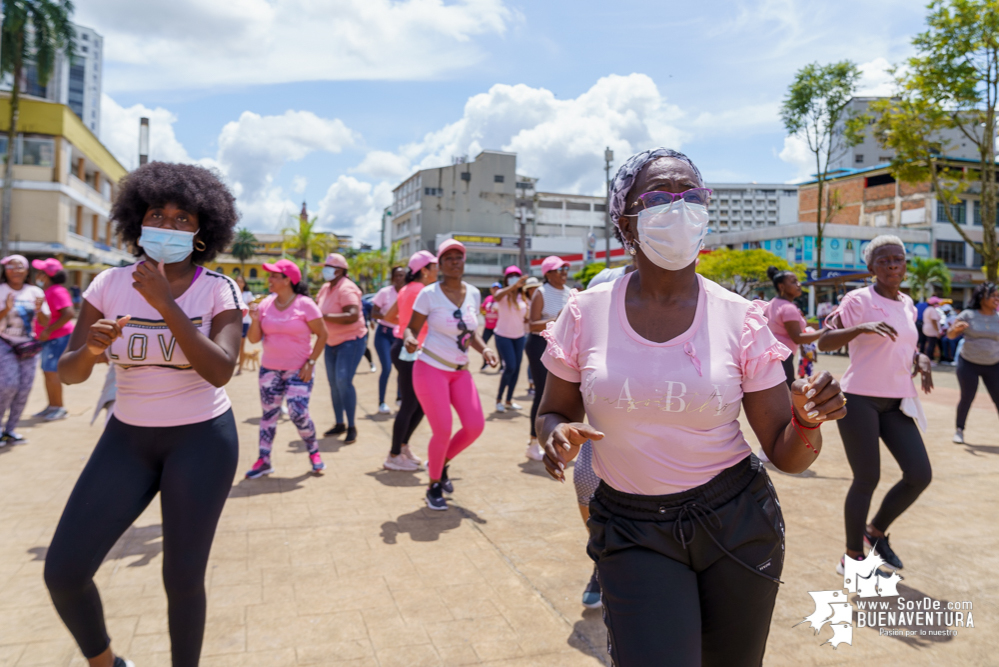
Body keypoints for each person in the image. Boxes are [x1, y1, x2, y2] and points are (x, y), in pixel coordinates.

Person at [536, 148, 846, 666]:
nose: (678, 208)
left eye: (692, 196)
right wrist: (555, 433)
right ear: (625, 222)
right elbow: (552, 410)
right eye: (658, 196)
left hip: (737, 520)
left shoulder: (741, 318)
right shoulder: (584, 313)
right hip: (631, 526)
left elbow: (785, 454)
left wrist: (808, 419)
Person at [47, 161, 245, 667]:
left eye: (184, 218)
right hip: (129, 439)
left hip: (202, 440)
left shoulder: (218, 289)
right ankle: (106, 662)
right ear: (139, 221)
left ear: (203, 231)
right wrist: (91, 351)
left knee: (181, 578)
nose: (171, 226)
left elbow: (220, 370)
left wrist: (165, 304)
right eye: (160, 214)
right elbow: (70, 373)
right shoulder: (108, 285)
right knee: (64, 571)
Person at [818, 234, 933, 576]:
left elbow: (904, 346)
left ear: (905, 264)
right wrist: (860, 327)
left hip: (897, 400)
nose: (893, 265)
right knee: (867, 477)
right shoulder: (857, 300)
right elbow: (825, 339)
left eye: (898, 259)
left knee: (919, 474)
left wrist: (921, 358)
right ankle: (852, 556)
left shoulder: (909, 304)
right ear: (871, 268)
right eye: (884, 260)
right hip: (859, 399)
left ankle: (875, 532)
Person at [406, 239, 498, 510]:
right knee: (443, 429)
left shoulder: (473, 293)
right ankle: (434, 484)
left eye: (459, 257)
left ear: (464, 261)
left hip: (461, 372)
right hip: (430, 368)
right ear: (440, 264)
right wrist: (409, 340)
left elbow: (471, 333)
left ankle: (440, 462)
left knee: (474, 426)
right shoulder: (429, 294)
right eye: (448, 258)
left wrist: (484, 349)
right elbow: (411, 329)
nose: (455, 262)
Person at [245, 258, 328, 479]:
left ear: (288, 280)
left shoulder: (305, 304)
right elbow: (254, 340)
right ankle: (264, 460)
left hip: (299, 370)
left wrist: (311, 362)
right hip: (269, 371)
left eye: (274, 276)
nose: (269, 279)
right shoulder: (265, 304)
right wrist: (254, 320)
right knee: (268, 415)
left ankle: (314, 452)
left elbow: (322, 335)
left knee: (298, 412)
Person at [382, 251, 437, 472]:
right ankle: (394, 454)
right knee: (410, 404)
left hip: (403, 347)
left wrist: (406, 322)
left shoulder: (406, 289)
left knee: (419, 404)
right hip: (412, 350)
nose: (438, 270)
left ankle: (402, 447)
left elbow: (388, 316)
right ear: (424, 270)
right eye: (434, 266)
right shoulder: (424, 291)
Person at [316, 253, 368, 444]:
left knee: (343, 381)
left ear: (339, 270)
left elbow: (352, 315)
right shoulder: (326, 288)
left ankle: (352, 426)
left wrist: (324, 315)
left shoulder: (347, 288)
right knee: (333, 384)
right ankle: (340, 423)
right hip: (331, 341)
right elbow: (316, 308)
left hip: (351, 340)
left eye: (328, 267)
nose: (324, 270)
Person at [525, 256, 570, 461]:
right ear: (548, 273)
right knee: (543, 394)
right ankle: (533, 442)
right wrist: (557, 318)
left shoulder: (570, 292)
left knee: (565, 395)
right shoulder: (541, 292)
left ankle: (559, 439)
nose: (563, 273)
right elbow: (532, 324)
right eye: (559, 270)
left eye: (565, 269)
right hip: (539, 345)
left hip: (561, 347)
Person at [0, 254, 44, 444]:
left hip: (28, 347)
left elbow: (44, 322)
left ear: (26, 271)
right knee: (8, 386)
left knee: (24, 388)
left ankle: (11, 430)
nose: (15, 270)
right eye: (11, 266)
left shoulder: (35, 291)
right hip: (4, 344)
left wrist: (40, 310)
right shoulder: (1, 290)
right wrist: (5, 309)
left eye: (19, 267)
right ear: (5, 270)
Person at [948, 282, 999, 444]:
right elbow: (950, 335)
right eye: (993, 295)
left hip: (994, 364)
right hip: (968, 363)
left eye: (998, 296)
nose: (996, 299)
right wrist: (956, 329)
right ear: (981, 297)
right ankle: (959, 430)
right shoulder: (967, 315)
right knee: (967, 397)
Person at [27, 258, 74, 421]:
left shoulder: (57, 291)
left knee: (51, 372)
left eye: (40, 272)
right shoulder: (47, 291)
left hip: (57, 338)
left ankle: (59, 407)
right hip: (49, 338)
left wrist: (48, 330)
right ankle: (52, 406)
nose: (37, 275)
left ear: (46, 275)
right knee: (47, 372)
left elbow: (69, 313)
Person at [763, 267, 823, 388]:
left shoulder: (771, 303)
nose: (799, 284)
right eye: (793, 282)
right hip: (783, 358)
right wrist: (825, 331)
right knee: (789, 393)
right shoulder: (788, 307)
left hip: (772, 356)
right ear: (781, 287)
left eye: (797, 281)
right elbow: (797, 337)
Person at [492, 265, 528, 412]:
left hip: (519, 337)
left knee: (517, 369)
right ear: (507, 279)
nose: (514, 278)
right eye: (511, 276)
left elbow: (524, 317)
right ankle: (499, 400)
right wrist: (513, 286)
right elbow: (496, 296)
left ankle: (508, 401)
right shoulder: (502, 294)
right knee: (510, 367)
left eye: (516, 275)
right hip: (503, 336)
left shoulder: (523, 297)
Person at [371, 266, 406, 414]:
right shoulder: (385, 293)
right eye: (397, 275)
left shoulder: (409, 293)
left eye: (402, 275)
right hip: (384, 333)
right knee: (387, 367)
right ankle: (381, 402)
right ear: (392, 278)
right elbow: (373, 312)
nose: (399, 278)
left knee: (402, 368)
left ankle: (400, 398)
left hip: (401, 335)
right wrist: (388, 317)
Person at [234, 274, 254, 375]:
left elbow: (252, 307)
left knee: (241, 345)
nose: (239, 283)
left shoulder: (248, 294)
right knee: (233, 345)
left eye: (241, 281)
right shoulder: (231, 293)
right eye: (237, 281)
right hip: (233, 322)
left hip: (245, 322)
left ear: (244, 283)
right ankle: (236, 362)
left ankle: (240, 368)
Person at [480, 281, 501, 371]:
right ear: (491, 289)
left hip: (498, 328)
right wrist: (485, 313)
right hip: (488, 327)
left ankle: (502, 366)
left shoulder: (502, 299)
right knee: (483, 345)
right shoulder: (488, 298)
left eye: (498, 288)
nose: (495, 290)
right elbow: (482, 308)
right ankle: (485, 363)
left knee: (500, 347)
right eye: (494, 288)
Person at [921, 295, 943, 362]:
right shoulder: (932, 310)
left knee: (930, 345)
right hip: (931, 330)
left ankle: (929, 359)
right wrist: (938, 331)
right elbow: (934, 321)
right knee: (931, 345)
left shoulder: (927, 309)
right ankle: (929, 360)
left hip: (927, 328)